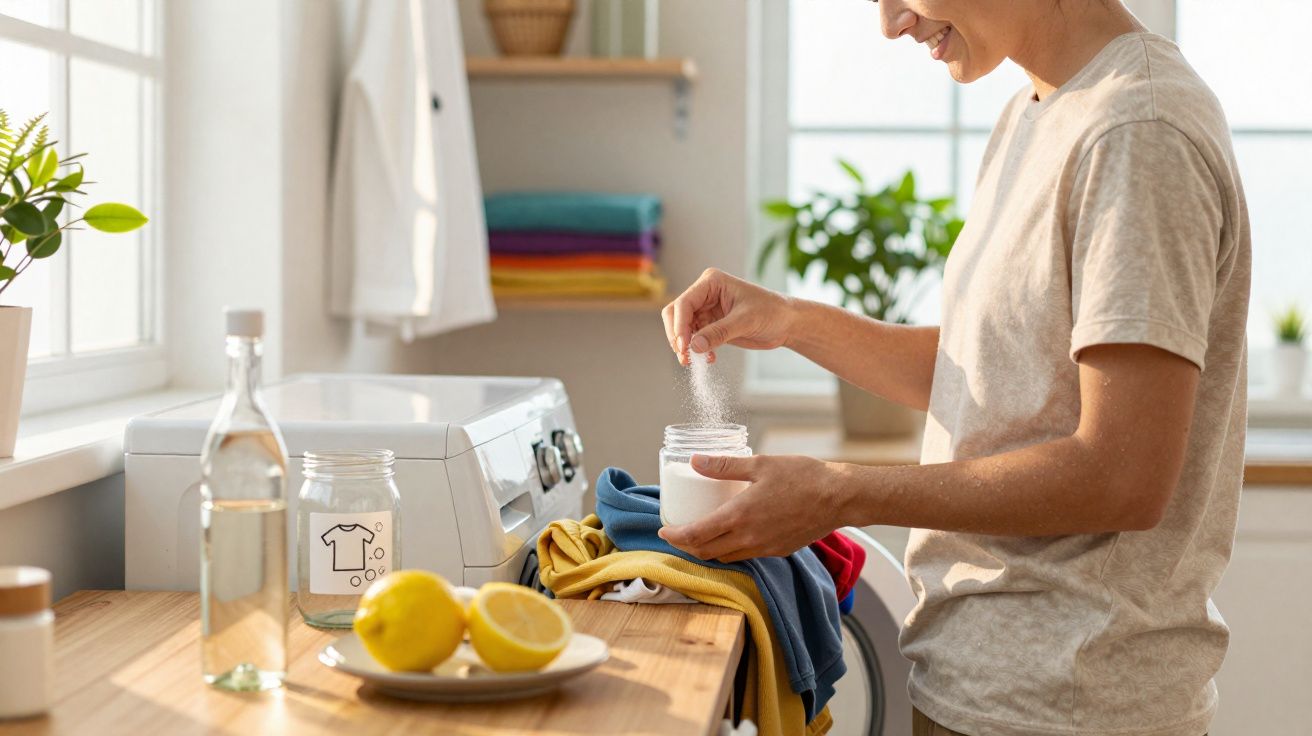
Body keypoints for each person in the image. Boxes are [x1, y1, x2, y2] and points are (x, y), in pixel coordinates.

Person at [658, 1, 1249, 734]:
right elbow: (999, 376)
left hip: (1071, 702)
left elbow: (1121, 477)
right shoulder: (1037, 111)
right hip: (979, 684)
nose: (890, 22)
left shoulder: (1138, 131)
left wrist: (840, 493)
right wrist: (789, 321)